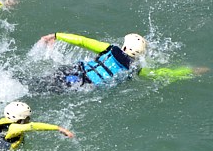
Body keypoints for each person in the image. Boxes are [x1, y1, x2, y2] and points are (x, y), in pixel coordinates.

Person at [35, 31, 205, 90]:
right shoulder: (135, 69)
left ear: (123, 47)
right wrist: (191, 71)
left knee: (38, 82)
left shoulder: (109, 49)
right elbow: (164, 74)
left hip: (73, 71)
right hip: (81, 85)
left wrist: (56, 36)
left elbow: (82, 41)